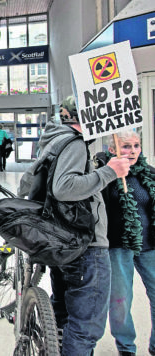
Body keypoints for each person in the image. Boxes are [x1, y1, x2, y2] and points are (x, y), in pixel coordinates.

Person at [37, 96, 130, 355]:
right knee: (85, 328)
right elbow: (64, 188)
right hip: (87, 246)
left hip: (63, 240)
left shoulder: (53, 139)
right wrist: (109, 171)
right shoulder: (74, 143)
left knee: (64, 316)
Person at [95, 131, 155, 356]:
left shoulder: (149, 174)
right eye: (126, 146)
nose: (132, 151)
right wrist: (110, 172)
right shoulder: (105, 176)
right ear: (113, 149)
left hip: (150, 244)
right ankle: (126, 347)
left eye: (136, 146)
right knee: (120, 300)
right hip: (118, 246)